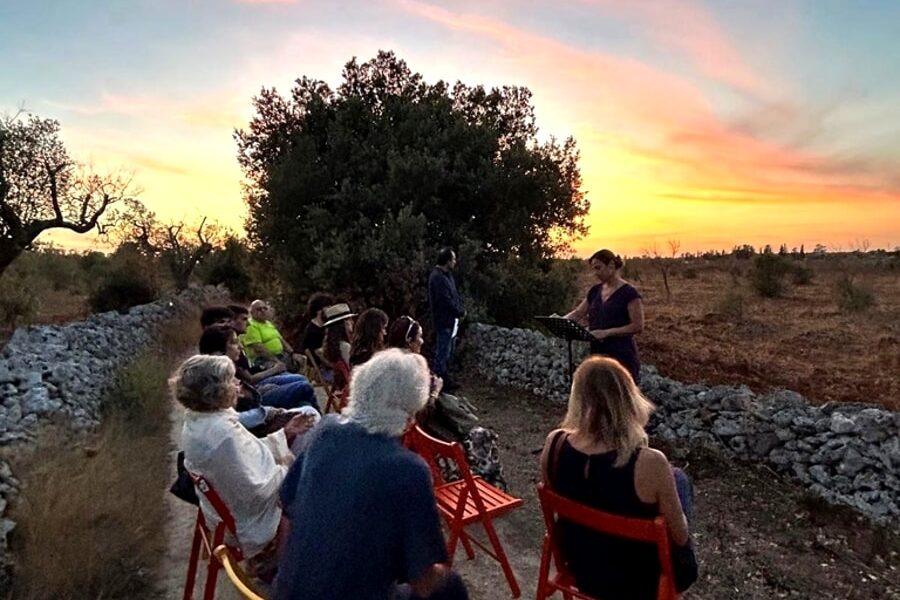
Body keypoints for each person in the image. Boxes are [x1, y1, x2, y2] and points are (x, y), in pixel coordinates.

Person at [273, 349, 469, 600]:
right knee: (450, 587)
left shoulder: (326, 431)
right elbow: (425, 583)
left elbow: (287, 512)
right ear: (410, 416)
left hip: (288, 592)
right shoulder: (409, 469)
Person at [540, 356, 697, 600]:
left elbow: (566, 493)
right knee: (680, 480)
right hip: (639, 583)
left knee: (675, 479)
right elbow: (680, 536)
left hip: (581, 567)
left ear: (578, 399)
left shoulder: (555, 444)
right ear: (628, 397)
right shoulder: (651, 462)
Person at [170, 354, 315, 561]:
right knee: (311, 489)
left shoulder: (199, 419)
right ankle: (283, 564)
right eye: (231, 380)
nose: (238, 383)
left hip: (222, 513)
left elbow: (249, 452)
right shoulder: (222, 434)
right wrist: (285, 466)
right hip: (247, 523)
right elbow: (257, 490)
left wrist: (285, 433)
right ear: (215, 392)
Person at [388, 316, 508, 491]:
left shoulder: (390, 365)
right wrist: (436, 390)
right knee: (481, 435)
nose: (422, 341)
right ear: (409, 341)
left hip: (409, 434)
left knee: (472, 429)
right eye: (419, 337)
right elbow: (420, 413)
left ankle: (486, 481)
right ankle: (491, 485)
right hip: (426, 433)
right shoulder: (413, 369)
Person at [565, 249, 644, 383]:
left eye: (598, 268)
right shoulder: (595, 291)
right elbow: (579, 312)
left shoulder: (629, 293)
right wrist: (560, 320)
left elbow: (637, 326)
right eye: (593, 269)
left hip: (621, 356)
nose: (595, 273)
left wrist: (606, 332)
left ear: (611, 266)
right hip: (597, 355)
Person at [199, 325, 319, 413]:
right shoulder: (218, 375)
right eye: (234, 343)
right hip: (257, 403)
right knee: (304, 387)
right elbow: (243, 404)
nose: (240, 347)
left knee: (304, 403)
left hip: (258, 392)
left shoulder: (228, 366)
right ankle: (322, 425)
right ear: (218, 351)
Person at [427, 248, 465, 391]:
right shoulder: (437, 278)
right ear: (447, 260)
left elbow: (453, 296)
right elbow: (445, 300)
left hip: (450, 320)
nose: (455, 262)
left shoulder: (447, 276)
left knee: (447, 351)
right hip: (443, 321)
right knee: (442, 353)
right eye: (453, 259)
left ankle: (445, 380)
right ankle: (440, 383)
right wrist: (459, 311)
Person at [241, 299, 305, 371]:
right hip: (263, 360)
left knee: (301, 360)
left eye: (265, 308)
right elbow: (259, 348)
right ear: (252, 313)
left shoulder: (268, 323)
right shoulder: (251, 326)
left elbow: (281, 340)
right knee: (287, 371)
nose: (263, 311)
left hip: (280, 355)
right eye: (259, 309)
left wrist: (293, 353)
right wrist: (276, 361)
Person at [299, 292, 334, 358]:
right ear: (318, 310)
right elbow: (307, 350)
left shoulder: (328, 325)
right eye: (327, 307)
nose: (330, 309)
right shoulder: (311, 330)